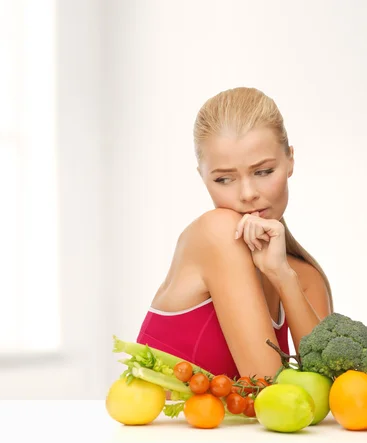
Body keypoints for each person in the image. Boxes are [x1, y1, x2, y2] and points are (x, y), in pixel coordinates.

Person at [136, 87, 333, 381]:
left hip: (240, 429)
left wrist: (281, 275)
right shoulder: (217, 233)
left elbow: (334, 393)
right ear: (202, 177)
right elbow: (267, 387)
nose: (247, 194)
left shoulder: (303, 276)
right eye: (224, 179)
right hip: (161, 427)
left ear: (290, 160)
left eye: (263, 172)